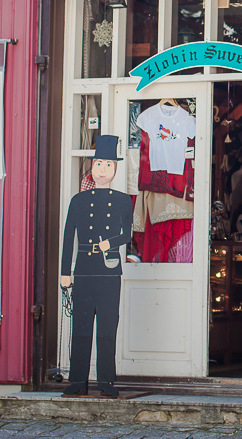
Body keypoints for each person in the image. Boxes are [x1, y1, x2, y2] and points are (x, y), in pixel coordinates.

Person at [60, 134, 133, 398]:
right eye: (99, 164)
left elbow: (128, 235)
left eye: (108, 165)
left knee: (107, 327)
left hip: (109, 269)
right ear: (92, 166)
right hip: (84, 267)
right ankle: (78, 380)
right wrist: (65, 272)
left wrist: (109, 243)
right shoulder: (78, 201)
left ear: (116, 168)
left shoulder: (123, 200)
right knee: (80, 326)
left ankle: (106, 381)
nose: (103, 170)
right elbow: (68, 237)